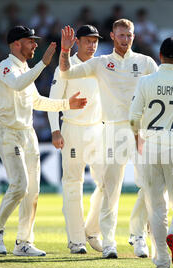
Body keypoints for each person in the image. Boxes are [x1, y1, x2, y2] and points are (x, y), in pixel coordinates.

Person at [59, 19, 158, 259]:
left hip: (140, 130)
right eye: (121, 35)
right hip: (112, 131)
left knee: (149, 186)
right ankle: (110, 242)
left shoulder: (145, 62)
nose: (126, 39)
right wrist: (65, 51)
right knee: (111, 189)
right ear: (113, 36)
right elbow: (67, 71)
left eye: (129, 35)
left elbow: (159, 91)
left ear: (134, 36)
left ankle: (138, 236)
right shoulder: (101, 63)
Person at [0, 26, 87, 257]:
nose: (35, 45)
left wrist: (65, 105)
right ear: (15, 44)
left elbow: (37, 101)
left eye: (34, 41)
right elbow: (18, 84)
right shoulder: (6, 67)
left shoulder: (24, 69)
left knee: (32, 192)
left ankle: (23, 242)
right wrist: (43, 64)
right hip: (8, 132)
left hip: (27, 133)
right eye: (30, 41)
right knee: (20, 185)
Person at [129, 37, 173, 268]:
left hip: (150, 148)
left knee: (156, 207)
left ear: (160, 57)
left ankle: (161, 263)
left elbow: (133, 116)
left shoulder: (146, 81)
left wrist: (138, 136)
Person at [47, 25, 104, 254]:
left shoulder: (101, 65)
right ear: (77, 42)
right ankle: (76, 240)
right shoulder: (66, 65)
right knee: (73, 185)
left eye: (95, 41)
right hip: (72, 130)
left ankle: (92, 229)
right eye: (88, 41)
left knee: (108, 183)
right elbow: (53, 99)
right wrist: (55, 130)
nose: (92, 45)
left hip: (97, 130)